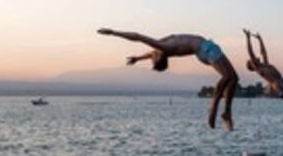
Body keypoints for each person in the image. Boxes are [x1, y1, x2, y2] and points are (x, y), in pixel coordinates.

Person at [97, 28, 238, 131]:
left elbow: (149, 54)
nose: (151, 57)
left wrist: (137, 58)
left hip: (205, 50)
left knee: (233, 78)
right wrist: (113, 33)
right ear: (159, 57)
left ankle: (227, 112)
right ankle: (214, 107)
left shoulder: (162, 48)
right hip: (206, 49)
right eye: (153, 59)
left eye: (152, 58)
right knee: (227, 76)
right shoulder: (163, 46)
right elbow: (137, 36)